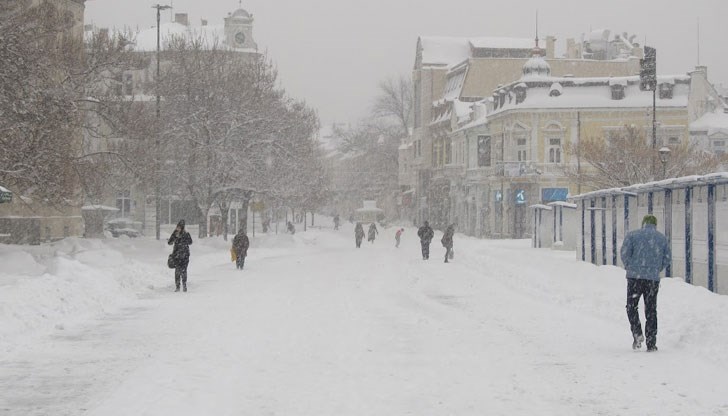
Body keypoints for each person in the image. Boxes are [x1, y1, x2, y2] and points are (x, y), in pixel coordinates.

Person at [620, 214, 671, 352]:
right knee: (651, 310)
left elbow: (624, 253)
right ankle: (651, 342)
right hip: (652, 280)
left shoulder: (632, 235)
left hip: (635, 278)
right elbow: (667, 258)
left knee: (631, 307)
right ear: (655, 224)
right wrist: (656, 268)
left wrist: (631, 266)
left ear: (643, 223)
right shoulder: (661, 239)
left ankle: (637, 333)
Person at [168, 220, 193, 292]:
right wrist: (174, 236)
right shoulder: (177, 233)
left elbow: (190, 242)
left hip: (181, 255)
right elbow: (169, 242)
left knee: (181, 271)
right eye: (177, 227)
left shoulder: (185, 234)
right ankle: (179, 286)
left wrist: (178, 238)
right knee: (180, 271)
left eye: (179, 227)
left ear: (182, 227)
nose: (177, 228)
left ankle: (182, 286)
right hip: (179, 255)